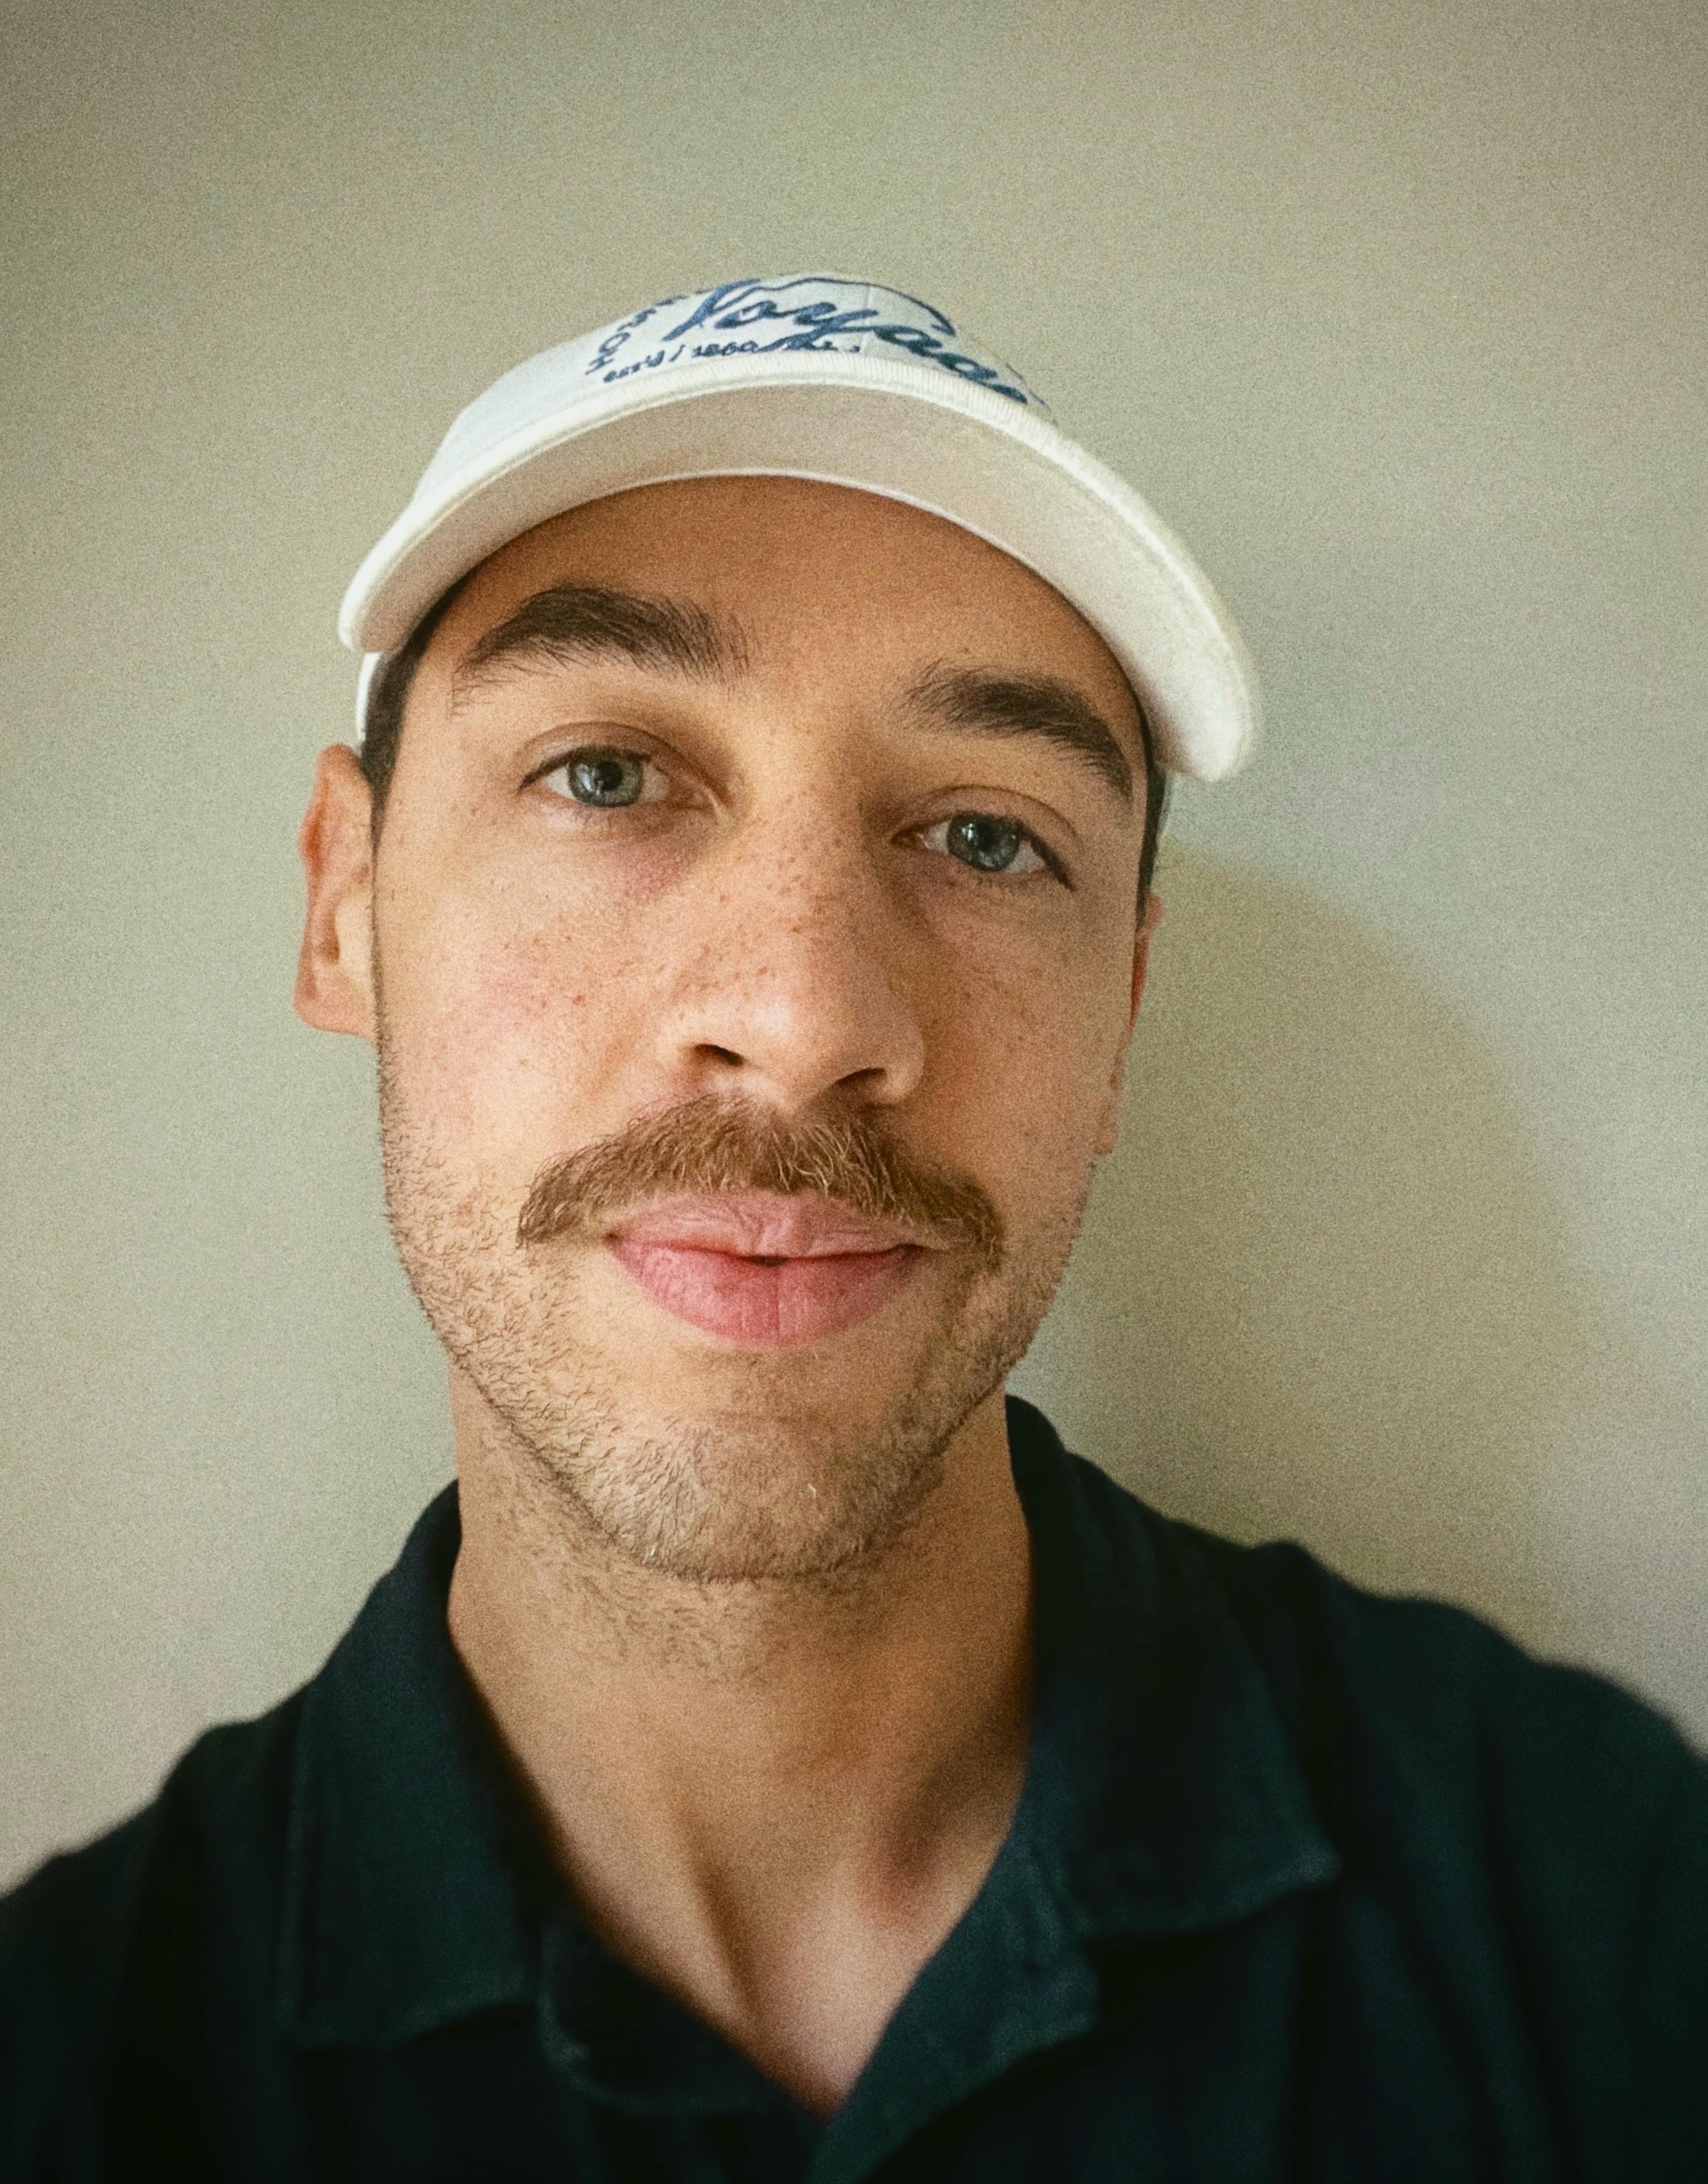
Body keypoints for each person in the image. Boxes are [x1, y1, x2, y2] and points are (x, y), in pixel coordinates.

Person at [1, 274, 1703, 2182]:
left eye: (986, 836)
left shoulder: (1592, 1901)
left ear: (1124, 1005)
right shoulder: (69, 2077)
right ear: (346, 908)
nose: (805, 1016)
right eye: (605, 776)